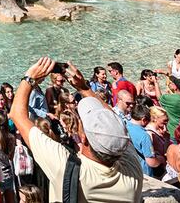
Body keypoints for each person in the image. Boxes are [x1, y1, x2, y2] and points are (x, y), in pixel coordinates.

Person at [9, 58, 143, 202]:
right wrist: (84, 88)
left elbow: (16, 114)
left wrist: (29, 78)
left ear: (83, 137)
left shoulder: (67, 168)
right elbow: (116, 125)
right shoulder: (133, 170)